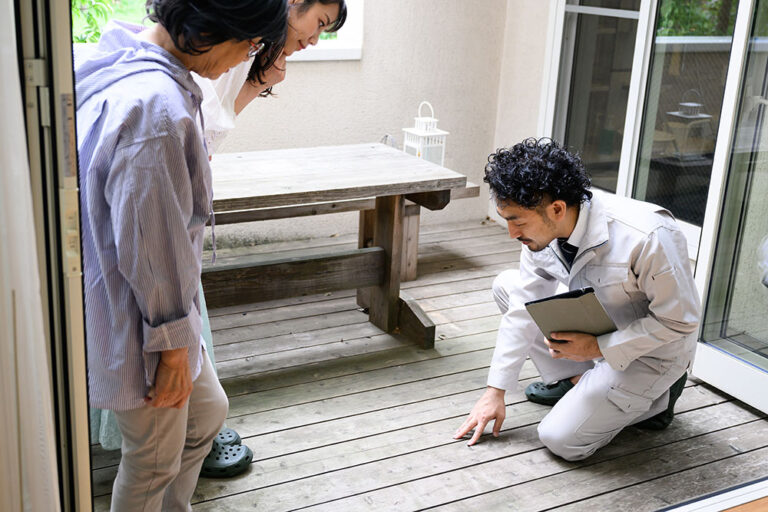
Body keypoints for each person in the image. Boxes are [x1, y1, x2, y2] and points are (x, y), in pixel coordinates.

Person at [86, 0, 348, 481]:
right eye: (319, 23)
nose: (313, 39)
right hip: (148, 301)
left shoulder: (133, 66)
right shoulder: (158, 112)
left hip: (158, 283)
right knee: (153, 456)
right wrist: (171, 351)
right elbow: (154, 248)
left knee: (203, 414)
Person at [453, 138, 701, 461]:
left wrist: (598, 348)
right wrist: (495, 391)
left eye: (517, 220)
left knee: (558, 438)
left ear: (557, 209)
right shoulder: (541, 233)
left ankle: (658, 402)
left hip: (652, 354)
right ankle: (577, 379)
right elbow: (522, 308)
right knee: (507, 285)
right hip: (599, 325)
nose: (511, 234)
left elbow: (680, 322)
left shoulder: (648, 237)